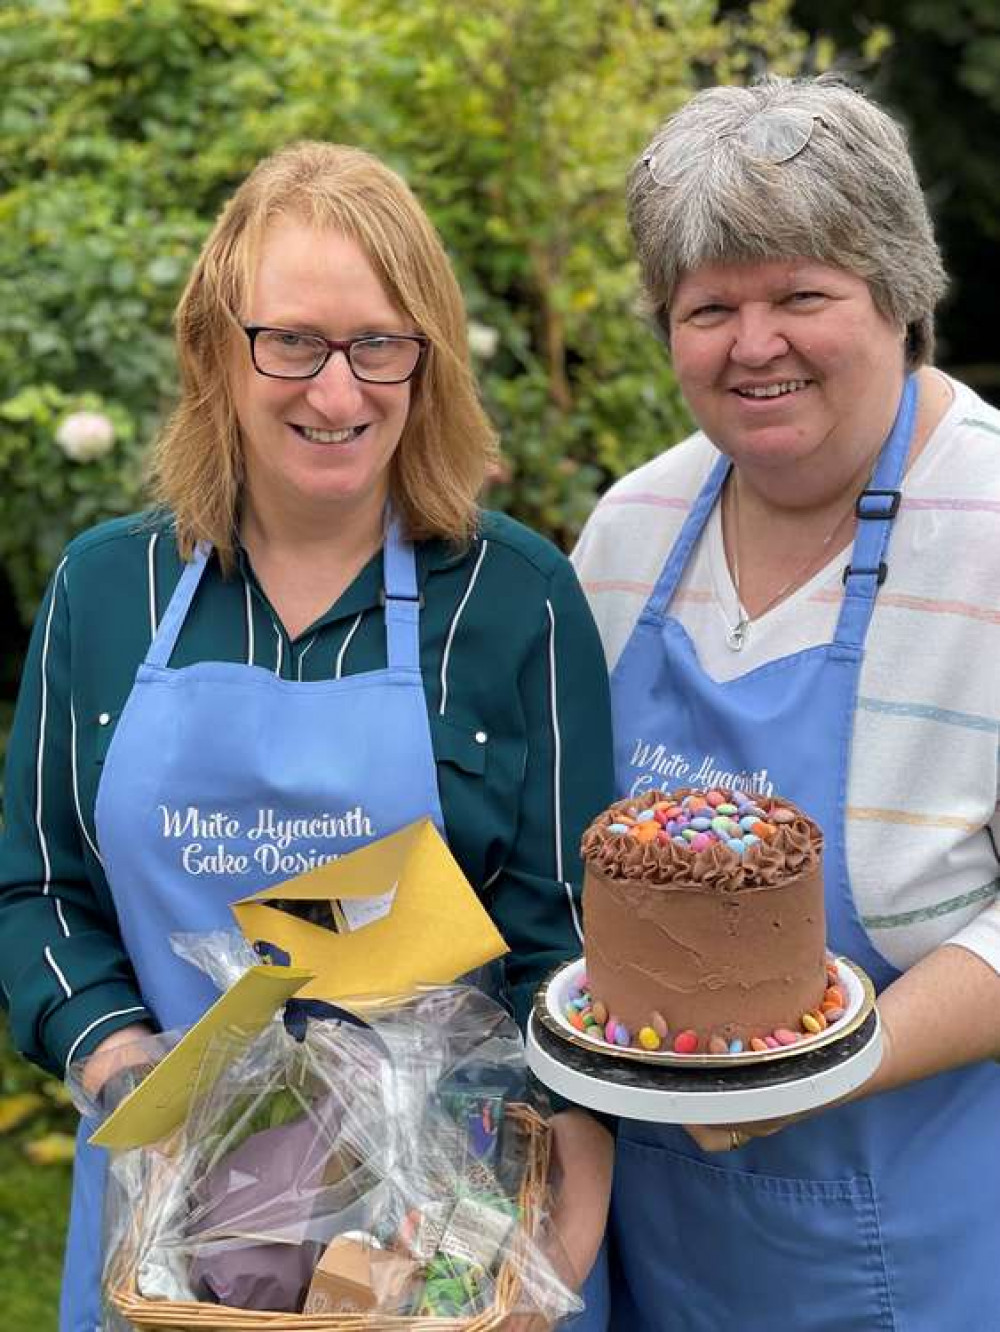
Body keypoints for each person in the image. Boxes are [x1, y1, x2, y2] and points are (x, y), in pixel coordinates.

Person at [0, 142, 614, 1330]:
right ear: (212, 350)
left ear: (425, 358)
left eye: (379, 344)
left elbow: (570, 957)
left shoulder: (513, 602)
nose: (337, 395)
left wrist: (547, 1266)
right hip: (163, 1216)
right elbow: (35, 889)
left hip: (443, 1226)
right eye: (290, 341)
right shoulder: (105, 589)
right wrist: (127, 1069)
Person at [571, 75, 1000, 1330]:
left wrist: (810, 1069)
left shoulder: (988, 532)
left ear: (898, 297)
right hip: (655, 1232)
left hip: (918, 1231)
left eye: (800, 295)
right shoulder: (630, 530)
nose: (752, 344)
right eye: (709, 308)